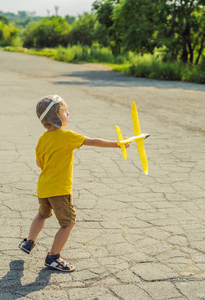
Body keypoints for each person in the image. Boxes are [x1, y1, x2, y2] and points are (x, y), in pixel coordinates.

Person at [19, 95, 130, 272]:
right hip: (59, 190)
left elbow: (39, 163)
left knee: (42, 214)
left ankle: (29, 242)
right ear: (56, 117)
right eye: (64, 111)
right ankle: (53, 257)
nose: (68, 113)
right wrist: (117, 144)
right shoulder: (67, 136)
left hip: (43, 187)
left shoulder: (42, 139)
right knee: (68, 222)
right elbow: (92, 141)